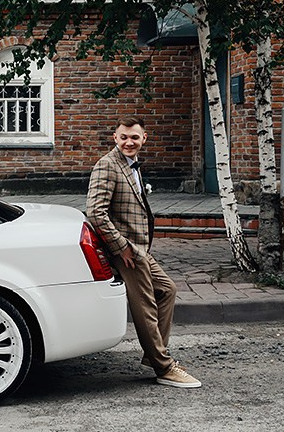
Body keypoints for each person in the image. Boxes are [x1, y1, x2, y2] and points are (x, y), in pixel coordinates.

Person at [86, 117, 201, 389]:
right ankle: (164, 367)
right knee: (146, 305)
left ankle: (153, 355)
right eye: (124, 137)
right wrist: (121, 247)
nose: (129, 142)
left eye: (134, 138)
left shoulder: (133, 165)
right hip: (125, 251)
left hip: (139, 248)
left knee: (168, 290)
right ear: (115, 138)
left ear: (144, 139)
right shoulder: (107, 165)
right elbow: (96, 213)